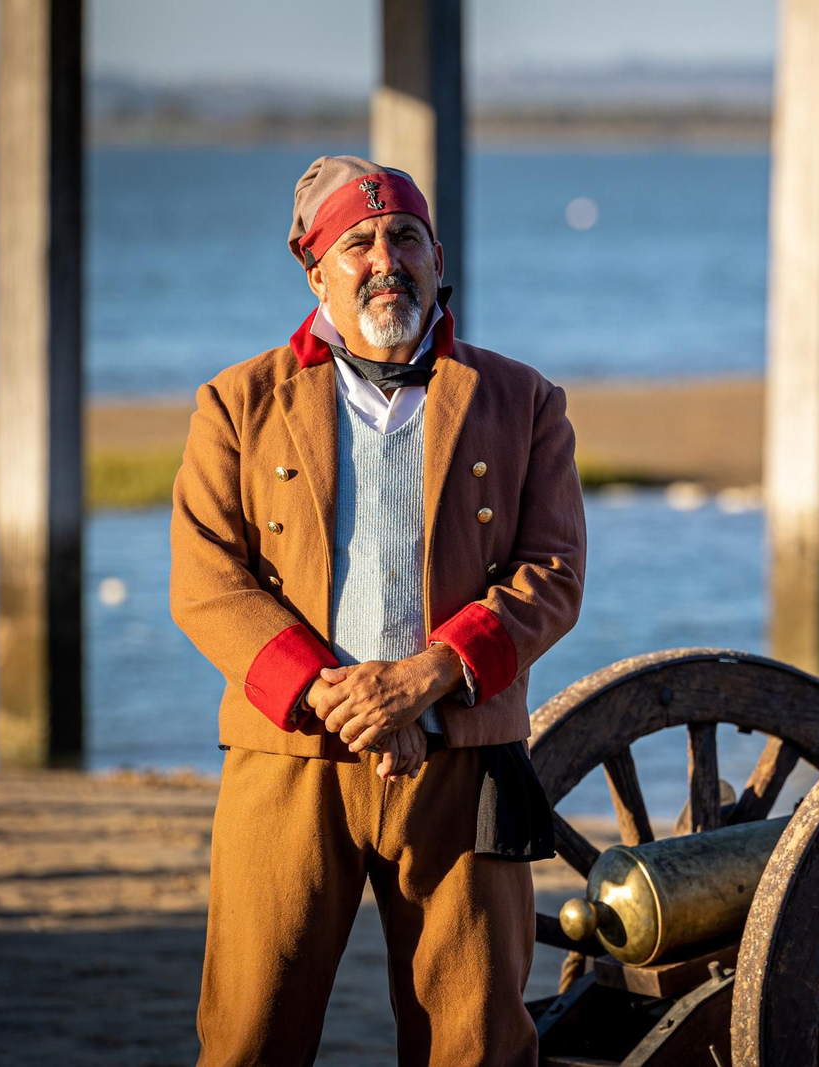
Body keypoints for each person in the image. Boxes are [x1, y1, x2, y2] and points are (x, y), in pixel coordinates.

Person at [170, 154, 586, 1065]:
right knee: (251, 1035)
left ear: (438, 259)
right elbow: (206, 582)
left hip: (464, 756)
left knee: (476, 1041)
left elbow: (553, 574)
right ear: (316, 274)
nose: (385, 260)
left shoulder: (523, 400)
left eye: (405, 237)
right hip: (289, 756)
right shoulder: (236, 404)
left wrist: (424, 679)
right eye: (357, 243)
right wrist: (342, 697)